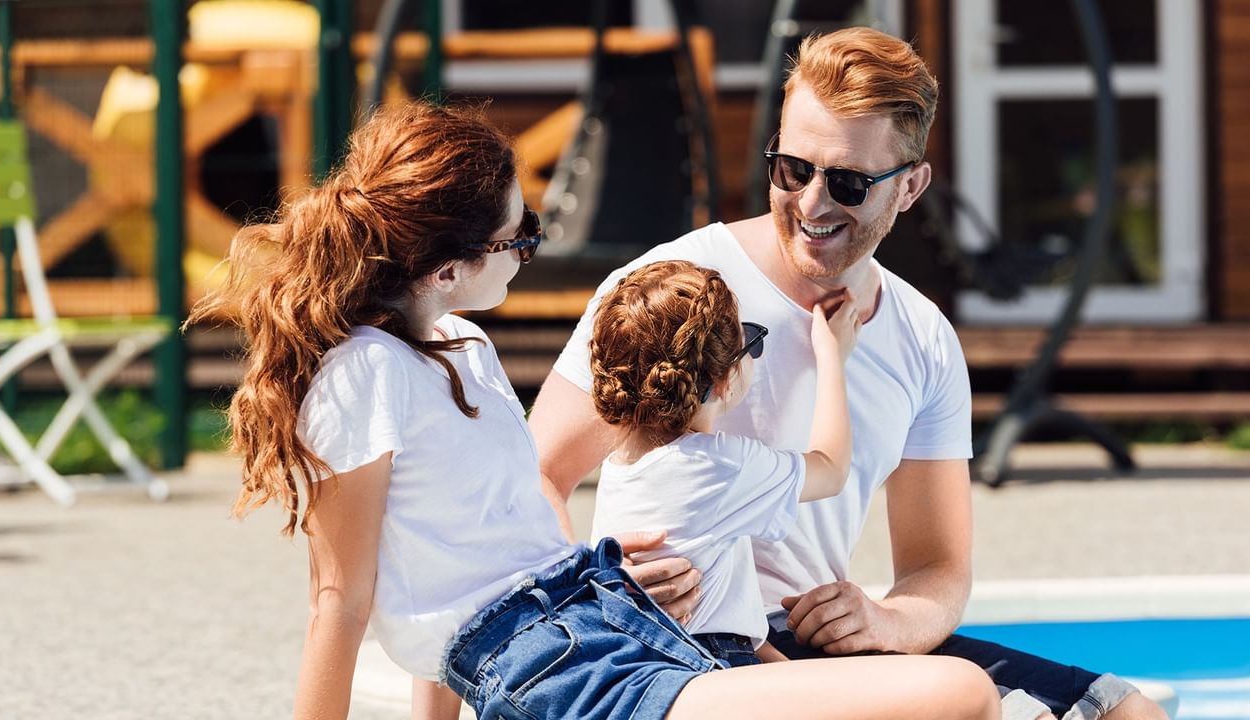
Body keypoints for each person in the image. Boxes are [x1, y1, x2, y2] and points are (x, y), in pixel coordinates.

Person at [188, 102, 1000, 720]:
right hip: (553, 668)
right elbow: (343, 600)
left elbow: (478, 553)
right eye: (520, 237)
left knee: (946, 698)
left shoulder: (464, 346)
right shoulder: (364, 377)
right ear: (448, 270)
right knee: (957, 694)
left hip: (595, 622)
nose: (530, 249)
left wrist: (609, 574)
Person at [528, 27, 1166, 720]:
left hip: (813, 650)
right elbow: (533, 478)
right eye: (792, 169)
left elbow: (937, 569)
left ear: (911, 187)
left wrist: (885, 620)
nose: (811, 204)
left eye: (848, 183)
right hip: (679, 653)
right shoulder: (667, 293)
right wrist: (601, 592)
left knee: (1128, 712)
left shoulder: (923, 338)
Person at [588, 259, 860, 668]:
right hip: (710, 666)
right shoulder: (720, 465)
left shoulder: (619, 468)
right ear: (724, 379)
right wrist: (832, 357)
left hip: (658, 663)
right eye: (749, 343)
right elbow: (832, 469)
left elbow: (727, 618)